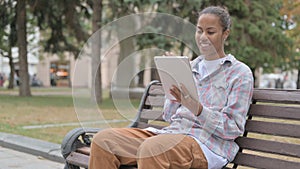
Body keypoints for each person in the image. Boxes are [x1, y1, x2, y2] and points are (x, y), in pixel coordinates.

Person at [89, 6, 253, 169]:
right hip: (172, 134)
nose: (203, 37)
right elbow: (169, 116)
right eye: (199, 31)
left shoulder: (239, 73)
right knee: (103, 141)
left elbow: (233, 129)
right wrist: (171, 87)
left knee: (153, 148)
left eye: (210, 32)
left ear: (225, 34)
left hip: (209, 146)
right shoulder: (189, 66)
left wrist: (197, 109)